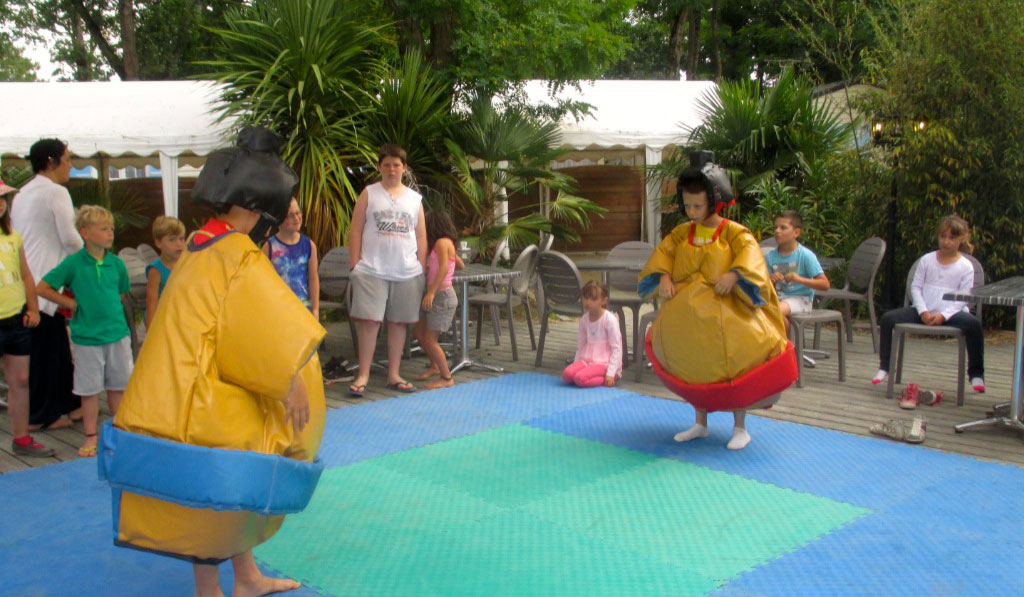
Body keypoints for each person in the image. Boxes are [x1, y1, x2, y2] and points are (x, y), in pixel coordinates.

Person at [99, 127, 326, 597]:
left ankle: (245, 577)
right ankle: (212, 591)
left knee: (228, 479)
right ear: (254, 206)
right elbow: (254, 324)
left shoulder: (201, 243)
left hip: (182, 382)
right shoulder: (234, 252)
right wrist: (289, 377)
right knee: (219, 479)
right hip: (205, 388)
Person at [638, 155, 789, 450]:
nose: (691, 211)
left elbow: (750, 257)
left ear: (715, 201)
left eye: (697, 205)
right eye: (688, 205)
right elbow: (664, 256)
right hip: (690, 318)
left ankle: (740, 426)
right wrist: (665, 278)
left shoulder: (734, 233)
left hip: (729, 316)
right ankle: (700, 422)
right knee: (695, 363)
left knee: (737, 362)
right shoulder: (682, 233)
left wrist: (734, 275)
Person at [36, 205, 131, 458]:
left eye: (111, 228)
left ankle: (119, 431)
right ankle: (91, 434)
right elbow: (42, 287)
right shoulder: (73, 263)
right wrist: (69, 303)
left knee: (119, 386)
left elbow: (120, 293)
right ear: (85, 233)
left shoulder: (117, 264)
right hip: (87, 338)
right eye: (103, 229)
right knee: (89, 390)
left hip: (117, 334)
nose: (110, 233)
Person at [11, 138, 82, 430]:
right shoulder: (56, 192)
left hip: (26, 277)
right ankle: (44, 414)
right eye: (67, 159)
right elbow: (69, 237)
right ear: (52, 161)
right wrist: (95, 259)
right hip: (44, 283)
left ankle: (70, 403)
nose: (70, 165)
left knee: (56, 348)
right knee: (46, 352)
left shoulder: (23, 192)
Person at [872, 215, 985, 400]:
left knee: (974, 325)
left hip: (951, 313)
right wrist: (923, 311)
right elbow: (915, 287)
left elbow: (964, 297)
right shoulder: (927, 260)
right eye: (943, 236)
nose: (946, 241)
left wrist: (943, 315)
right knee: (887, 319)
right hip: (923, 310)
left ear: (961, 239)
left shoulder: (966, 266)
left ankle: (976, 374)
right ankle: (885, 367)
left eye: (951, 238)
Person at [346, 144, 427, 397]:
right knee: (369, 322)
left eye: (397, 164)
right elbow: (356, 230)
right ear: (380, 167)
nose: (392, 169)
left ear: (404, 168)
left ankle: (394, 374)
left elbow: (422, 237)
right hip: (371, 270)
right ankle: (363, 375)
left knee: (398, 323)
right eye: (387, 164)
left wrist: (421, 268)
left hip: (406, 271)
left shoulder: (415, 200)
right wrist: (354, 265)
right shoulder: (369, 193)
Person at [0, 179, 52, 457]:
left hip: (16, 319)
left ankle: (21, 439)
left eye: (3, 198)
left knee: (20, 380)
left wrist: (33, 308)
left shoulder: (13, 237)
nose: (0, 204)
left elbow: (26, 274)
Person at [413, 210, 464, 390]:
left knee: (430, 339)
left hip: (442, 296)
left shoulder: (442, 243)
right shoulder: (443, 244)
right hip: (438, 295)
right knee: (419, 331)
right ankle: (435, 366)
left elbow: (443, 268)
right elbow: (459, 264)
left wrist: (431, 292)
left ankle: (446, 377)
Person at [764, 210, 830, 332]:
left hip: (801, 299)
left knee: (774, 311)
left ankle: (790, 346)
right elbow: (765, 284)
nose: (777, 231)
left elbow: (825, 284)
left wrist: (799, 279)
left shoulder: (805, 255)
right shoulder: (770, 257)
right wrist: (770, 279)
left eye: (783, 228)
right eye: (776, 227)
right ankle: (788, 344)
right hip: (779, 297)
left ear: (796, 232)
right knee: (761, 310)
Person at [263, 197, 319, 319]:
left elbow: (313, 278)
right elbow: (264, 281)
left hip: (302, 309)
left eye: (298, 213)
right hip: (278, 310)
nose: (296, 218)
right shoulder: (269, 247)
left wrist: (315, 309)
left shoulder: (309, 246)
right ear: (279, 220)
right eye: (290, 215)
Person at [562, 280, 623, 388]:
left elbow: (617, 348)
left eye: (593, 299)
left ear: (604, 301)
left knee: (580, 379)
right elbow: (580, 346)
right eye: (585, 298)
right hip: (587, 360)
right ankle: (586, 374)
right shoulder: (584, 320)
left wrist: (611, 372)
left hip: (604, 363)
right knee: (567, 375)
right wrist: (576, 364)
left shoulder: (609, 320)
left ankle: (607, 379)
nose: (588, 302)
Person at [144, 215, 186, 329]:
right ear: (158, 243)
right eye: (172, 240)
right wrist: (151, 334)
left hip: (183, 319)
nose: (179, 244)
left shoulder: (187, 264)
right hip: (163, 322)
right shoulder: (156, 270)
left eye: (182, 239)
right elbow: (151, 304)